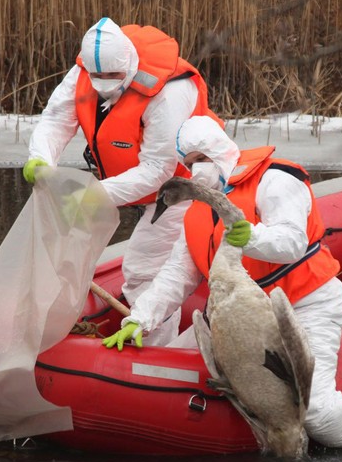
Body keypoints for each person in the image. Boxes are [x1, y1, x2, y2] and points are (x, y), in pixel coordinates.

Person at [101, 116, 342, 448]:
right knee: (170, 374)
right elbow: (176, 275)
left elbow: (292, 241)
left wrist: (250, 236)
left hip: (303, 306)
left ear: (220, 150)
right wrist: (140, 318)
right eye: (190, 163)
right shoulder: (196, 210)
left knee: (314, 409)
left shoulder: (276, 179)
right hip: (241, 322)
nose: (197, 170)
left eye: (202, 159)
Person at [23, 18, 224, 343]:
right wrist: (41, 158)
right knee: (66, 240)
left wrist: (93, 195)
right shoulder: (83, 73)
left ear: (129, 64)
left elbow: (158, 170)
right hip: (126, 183)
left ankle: (159, 354)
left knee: (144, 269)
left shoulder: (168, 92)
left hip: (182, 186)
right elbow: (57, 119)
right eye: (97, 76)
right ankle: (53, 320)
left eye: (113, 77)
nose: (103, 84)